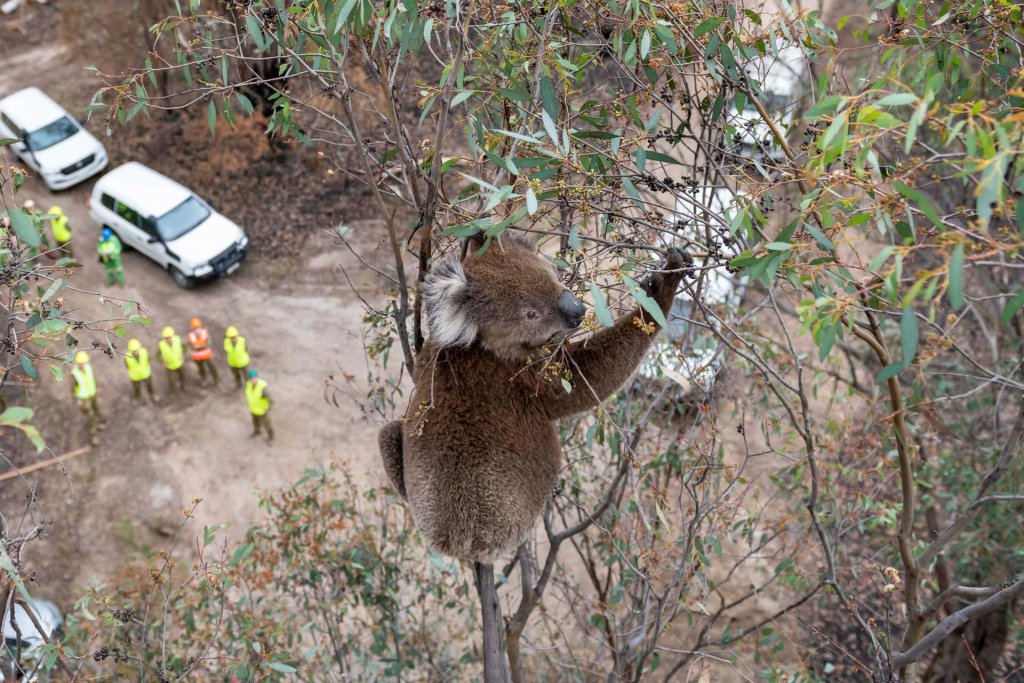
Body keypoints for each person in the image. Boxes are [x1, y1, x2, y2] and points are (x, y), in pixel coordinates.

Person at [71, 350, 104, 446]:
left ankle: (98, 423)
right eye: (81, 363)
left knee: (97, 408)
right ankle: (93, 434)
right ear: (78, 363)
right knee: (90, 415)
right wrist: (77, 399)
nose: (83, 364)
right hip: (84, 398)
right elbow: (72, 389)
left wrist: (97, 387)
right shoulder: (74, 374)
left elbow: (93, 378)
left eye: (84, 362)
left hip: (93, 394)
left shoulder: (88, 368)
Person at [187, 317, 219, 386]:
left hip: (206, 355)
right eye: (195, 329)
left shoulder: (205, 333)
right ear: (192, 329)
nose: (196, 330)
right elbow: (189, 345)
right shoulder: (190, 336)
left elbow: (209, 342)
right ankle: (204, 379)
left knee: (212, 367)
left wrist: (203, 346)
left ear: (200, 327)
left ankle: (216, 378)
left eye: (197, 328)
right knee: (201, 369)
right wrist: (195, 348)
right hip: (197, 357)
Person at [125, 338, 158, 403]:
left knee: (149, 386)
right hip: (135, 377)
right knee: (136, 388)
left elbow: (148, 360)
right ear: (130, 350)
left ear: (139, 348)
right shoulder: (127, 357)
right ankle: (137, 397)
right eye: (133, 351)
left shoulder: (144, 352)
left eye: (136, 350)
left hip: (145, 374)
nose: (135, 352)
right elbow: (127, 366)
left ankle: (152, 394)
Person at [245, 369, 273, 442]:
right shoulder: (248, 384)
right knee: (255, 421)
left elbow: (271, 400)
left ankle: (271, 437)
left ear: (257, 377)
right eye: (251, 379)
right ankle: (257, 431)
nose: (252, 380)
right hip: (253, 409)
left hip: (262, 410)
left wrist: (268, 408)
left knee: (267, 424)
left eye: (254, 378)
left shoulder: (263, 388)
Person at [159, 326, 187, 392]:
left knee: (182, 375)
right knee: (170, 379)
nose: (168, 339)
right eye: (166, 338)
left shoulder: (178, 340)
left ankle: (183, 386)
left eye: (170, 337)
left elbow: (184, 347)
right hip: (169, 366)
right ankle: (172, 389)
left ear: (173, 336)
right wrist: (162, 361)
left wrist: (183, 354)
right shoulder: (161, 345)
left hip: (179, 363)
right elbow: (156, 355)